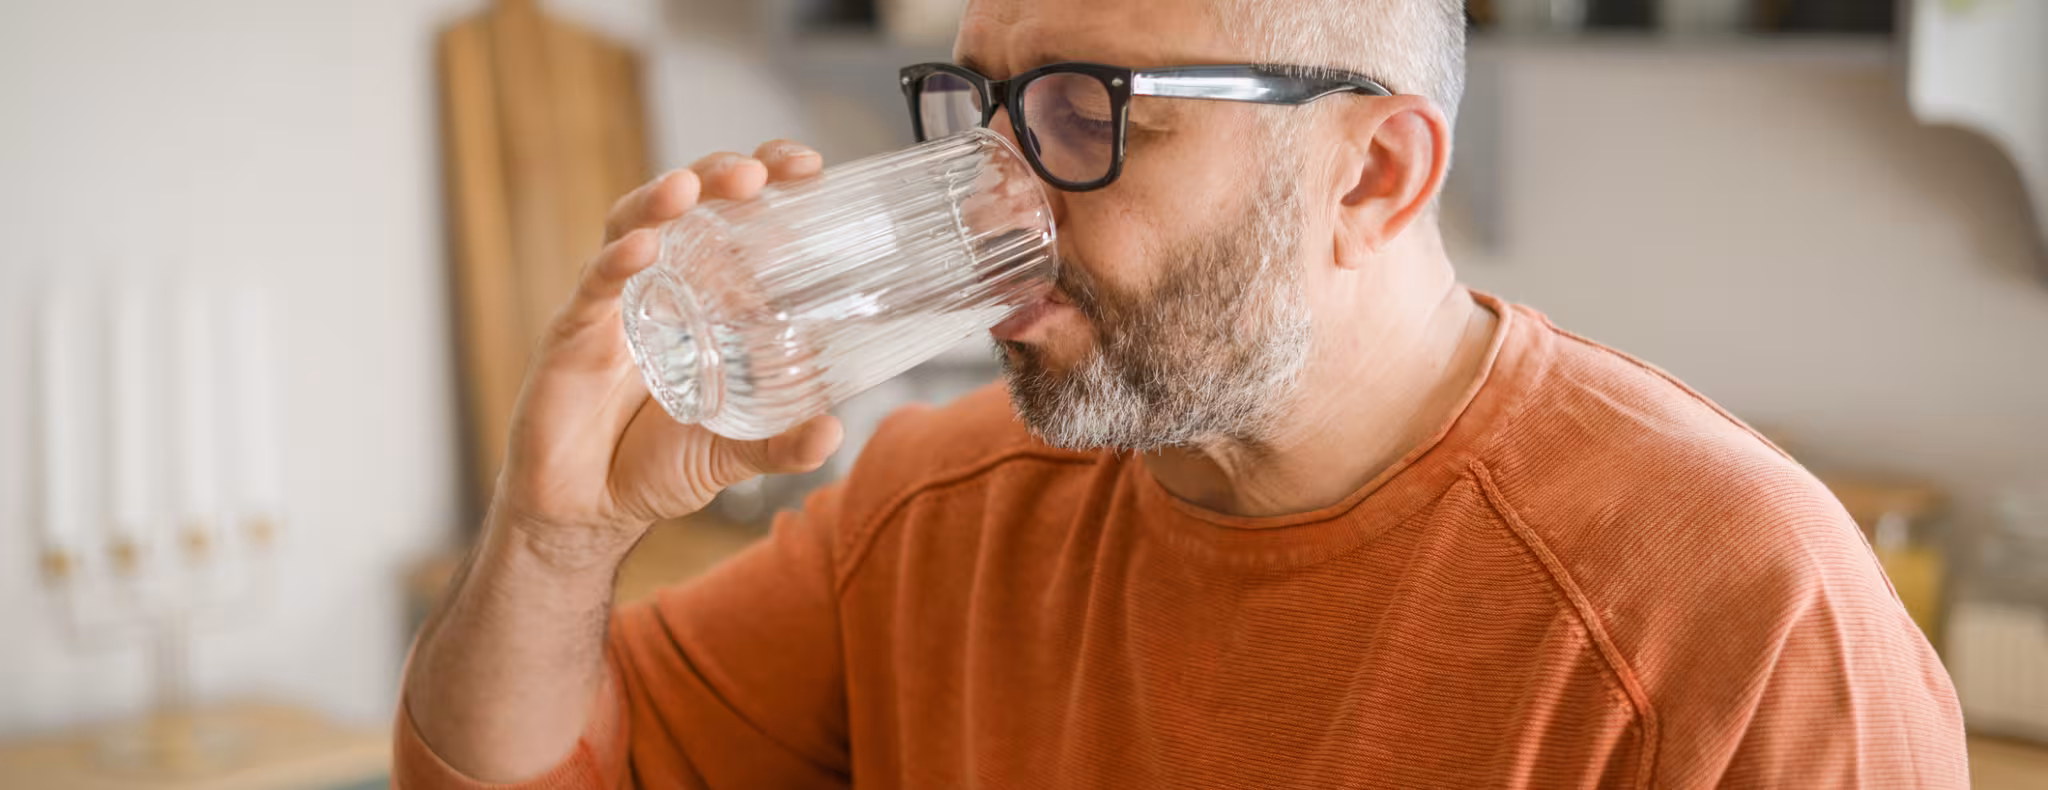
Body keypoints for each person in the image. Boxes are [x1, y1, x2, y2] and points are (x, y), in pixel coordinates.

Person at [396, 0, 1969, 786]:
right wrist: (554, 535)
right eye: (983, 105)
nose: (995, 198)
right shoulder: (932, 509)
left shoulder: (1738, 607)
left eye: (1090, 117)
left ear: (1373, 173)